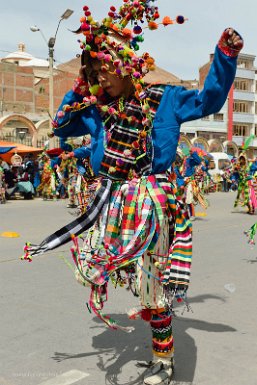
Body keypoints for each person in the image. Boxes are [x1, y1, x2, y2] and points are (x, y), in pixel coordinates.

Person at [22, 2, 243, 384]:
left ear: (126, 66)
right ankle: (158, 347)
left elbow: (208, 100)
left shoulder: (165, 99)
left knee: (153, 282)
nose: (100, 79)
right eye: (93, 73)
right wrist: (77, 88)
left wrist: (224, 57)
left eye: (104, 70)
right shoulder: (97, 109)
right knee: (98, 270)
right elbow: (61, 127)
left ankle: (165, 359)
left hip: (152, 202)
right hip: (111, 203)